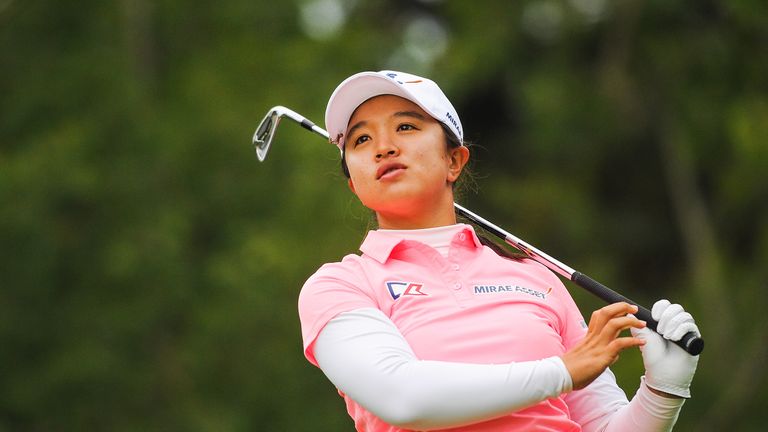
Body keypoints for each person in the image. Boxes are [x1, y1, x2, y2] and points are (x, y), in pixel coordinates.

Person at [298, 70, 701, 431]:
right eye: (361, 139)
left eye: (405, 127)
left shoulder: (535, 276)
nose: (383, 147)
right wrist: (563, 370)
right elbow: (404, 399)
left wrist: (662, 393)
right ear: (354, 184)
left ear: (453, 160)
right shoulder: (339, 285)